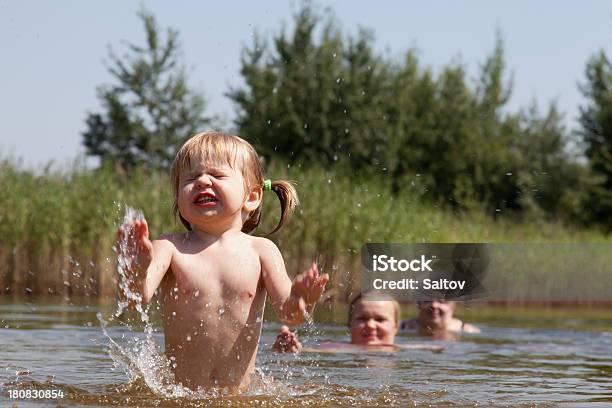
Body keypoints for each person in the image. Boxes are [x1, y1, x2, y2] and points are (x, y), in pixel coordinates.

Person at [117, 131, 329, 392]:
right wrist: (136, 270)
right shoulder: (169, 247)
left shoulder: (262, 251)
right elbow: (135, 298)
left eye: (216, 175)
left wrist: (301, 299)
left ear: (251, 197)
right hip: (181, 398)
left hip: (237, 400)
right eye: (191, 178)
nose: (202, 181)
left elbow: (290, 314)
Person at [273, 293, 442, 353]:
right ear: (349, 324)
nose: (370, 325)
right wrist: (290, 347)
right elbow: (306, 348)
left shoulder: (402, 349)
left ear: (396, 326)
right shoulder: (334, 347)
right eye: (362, 318)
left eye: (380, 319)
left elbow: (435, 348)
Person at [400, 300, 480, 338]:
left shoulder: (470, 332)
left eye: (441, 301)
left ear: (452, 306)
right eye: (428, 300)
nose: (434, 305)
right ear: (418, 304)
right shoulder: (399, 328)